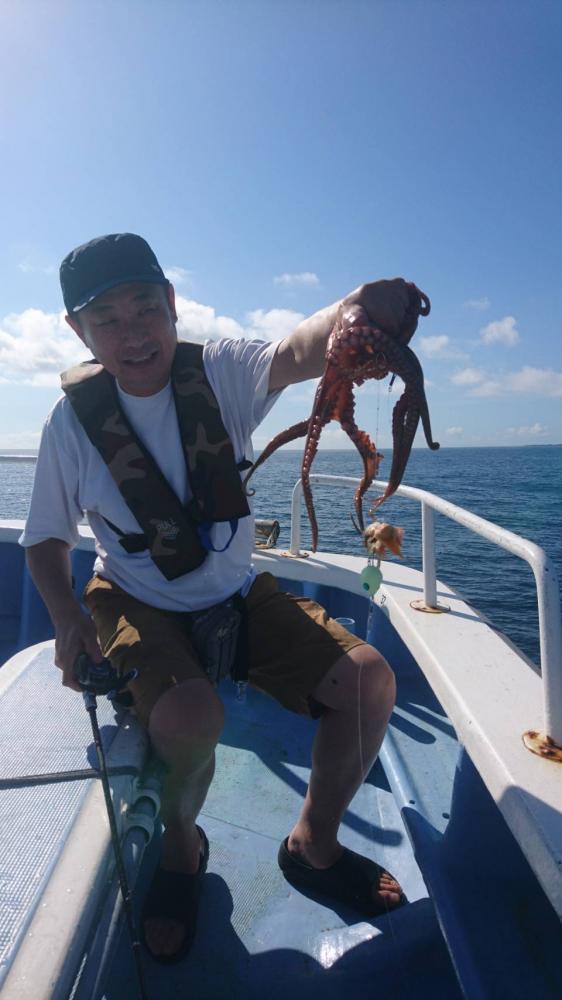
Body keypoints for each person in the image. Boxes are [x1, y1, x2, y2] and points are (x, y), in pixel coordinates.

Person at [21, 233, 417, 963]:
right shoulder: (70, 423)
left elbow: (298, 351)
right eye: (107, 319)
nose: (134, 333)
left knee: (369, 682)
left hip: (236, 588)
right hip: (134, 596)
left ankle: (313, 845)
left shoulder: (223, 372)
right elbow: (45, 537)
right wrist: (67, 618)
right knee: (190, 718)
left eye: (146, 307)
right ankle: (182, 850)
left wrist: (351, 309)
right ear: (79, 331)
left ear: (173, 304)